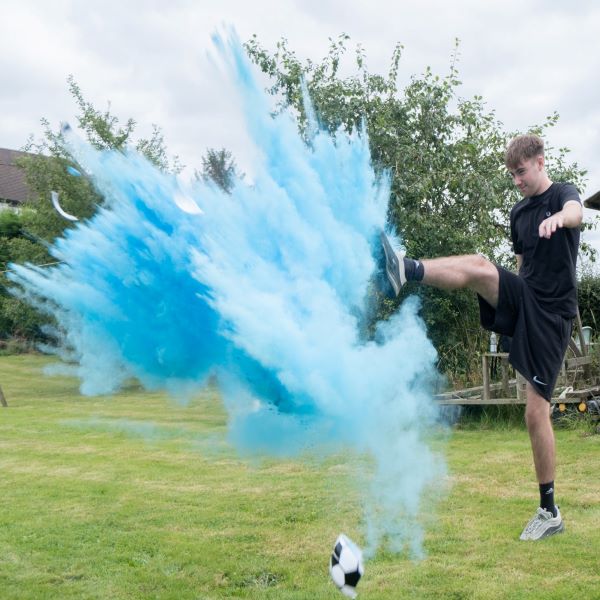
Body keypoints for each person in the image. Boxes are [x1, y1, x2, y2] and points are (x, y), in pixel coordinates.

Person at [381, 133, 583, 540]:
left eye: (521, 172)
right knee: (478, 266)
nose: (517, 181)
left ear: (540, 163)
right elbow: (522, 261)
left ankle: (550, 512)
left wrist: (558, 219)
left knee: (534, 413)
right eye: (511, 175)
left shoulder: (562, 194)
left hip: (552, 314)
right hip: (526, 298)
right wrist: (508, 296)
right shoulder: (518, 212)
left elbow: (576, 213)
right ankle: (406, 269)